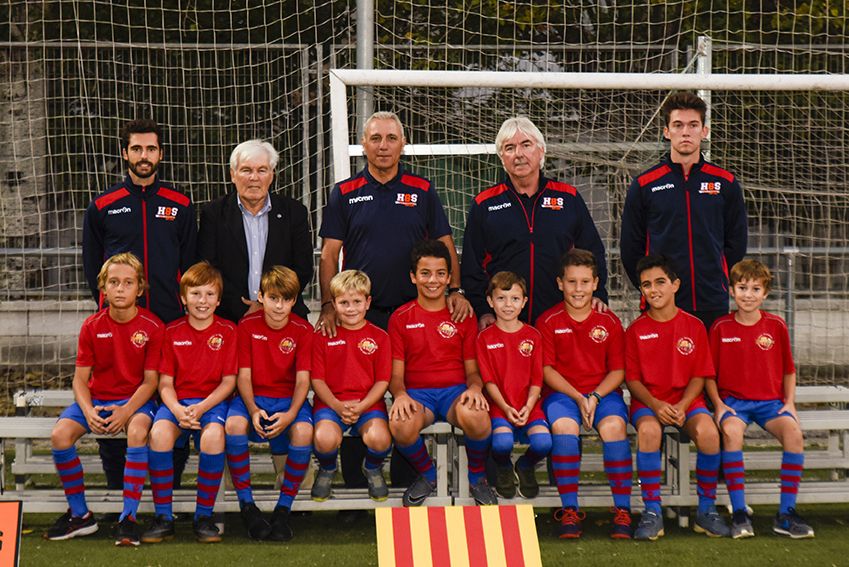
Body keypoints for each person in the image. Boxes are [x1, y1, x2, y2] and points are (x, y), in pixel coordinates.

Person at [317, 110, 471, 490]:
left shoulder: (422, 189)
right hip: (360, 316)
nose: (383, 146)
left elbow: (446, 245)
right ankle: (355, 487)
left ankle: (408, 482)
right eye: (375, 138)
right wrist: (327, 305)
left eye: (390, 138)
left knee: (407, 398)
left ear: (403, 144)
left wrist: (456, 290)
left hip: (410, 317)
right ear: (363, 145)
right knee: (355, 394)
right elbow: (328, 255)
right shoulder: (344, 192)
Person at [82, 118, 196, 494]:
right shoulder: (103, 206)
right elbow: (91, 265)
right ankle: (118, 491)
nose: (143, 156)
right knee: (115, 396)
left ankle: (171, 489)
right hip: (120, 326)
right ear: (125, 153)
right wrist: (110, 310)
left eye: (150, 149)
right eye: (136, 149)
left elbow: (191, 265)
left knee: (168, 404)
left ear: (160, 154)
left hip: (168, 322)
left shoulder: (179, 205)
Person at [45, 253, 163, 543]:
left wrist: (125, 411)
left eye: (128, 282)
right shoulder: (92, 326)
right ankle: (81, 515)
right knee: (60, 435)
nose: (120, 288)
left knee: (137, 431)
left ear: (140, 288)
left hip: (136, 402)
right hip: (97, 399)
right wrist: (87, 411)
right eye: (114, 282)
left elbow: (151, 382)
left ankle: (129, 518)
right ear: (103, 288)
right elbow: (80, 380)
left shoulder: (153, 327)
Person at [462, 116, 608, 327]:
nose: (518, 154)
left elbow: (592, 253)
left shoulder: (568, 198)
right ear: (502, 157)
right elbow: (472, 266)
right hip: (505, 324)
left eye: (526, 145)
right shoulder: (485, 204)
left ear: (541, 151)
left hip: (562, 320)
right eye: (509, 148)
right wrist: (483, 310)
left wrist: (599, 293)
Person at [620, 92, 748, 331]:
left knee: (708, 370)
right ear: (666, 132)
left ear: (704, 131)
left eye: (693, 125)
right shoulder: (645, 185)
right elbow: (631, 247)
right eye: (678, 125)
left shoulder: (725, 183)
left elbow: (736, 243)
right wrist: (652, 286)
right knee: (664, 369)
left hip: (711, 300)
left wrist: (716, 278)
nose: (686, 132)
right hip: (662, 303)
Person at [706, 259, 814, 539]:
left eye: (756, 289)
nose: (748, 294)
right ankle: (740, 512)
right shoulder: (720, 327)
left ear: (765, 293)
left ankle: (786, 514)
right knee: (730, 433)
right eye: (742, 288)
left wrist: (789, 403)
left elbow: (789, 370)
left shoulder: (776, 326)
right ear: (731, 290)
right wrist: (719, 406)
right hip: (735, 404)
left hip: (770, 404)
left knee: (794, 434)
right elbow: (707, 374)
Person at [625, 254, 729, 540]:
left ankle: (706, 511)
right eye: (646, 285)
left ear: (675, 285)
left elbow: (701, 374)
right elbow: (632, 380)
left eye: (660, 282)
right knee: (647, 432)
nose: (653, 289)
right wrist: (656, 405)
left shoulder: (694, 326)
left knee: (709, 434)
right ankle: (652, 511)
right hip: (649, 403)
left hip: (688, 402)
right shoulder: (635, 330)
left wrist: (683, 405)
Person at [388, 239, 497, 506]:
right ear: (413, 276)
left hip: (454, 394)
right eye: (425, 273)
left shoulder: (463, 314)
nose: (432, 280)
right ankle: (427, 473)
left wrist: (473, 389)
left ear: (449, 277)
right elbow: (396, 375)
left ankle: (477, 477)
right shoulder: (401, 317)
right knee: (400, 425)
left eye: (440, 273)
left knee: (478, 417)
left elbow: (473, 369)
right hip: (418, 397)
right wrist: (400, 395)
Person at [536, 249, 632, 539]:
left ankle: (623, 510)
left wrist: (595, 397)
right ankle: (569, 510)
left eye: (585, 282)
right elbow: (547, 370)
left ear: (595, 283)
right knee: (564, 426)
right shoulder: (548, 321)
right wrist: (578, 396)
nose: (578, 289)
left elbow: (618, 371)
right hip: (563, 395)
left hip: (603, 395)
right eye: (572, 282)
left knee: (615, 427)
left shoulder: (610, 322)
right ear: (560, 283)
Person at [142, 262, 237, 544]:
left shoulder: (229, 331)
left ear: (219, 299)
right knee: (158, 434)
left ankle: (204, 517)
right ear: (183, 297)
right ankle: (163, 517)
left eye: (209, 294)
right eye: (195, 294)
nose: (202, 301)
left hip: (212, 404)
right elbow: (165, 383)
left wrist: (201, 408)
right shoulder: (170, 332)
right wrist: (177, 409)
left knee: (213, 437)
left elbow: (228, 382)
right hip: (177, 404)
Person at [224, 266, 314, 542]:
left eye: (286, 299)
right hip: (253, 397)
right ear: (261, 297)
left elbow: (303, 381)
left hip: (288, 399)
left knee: (303, 432)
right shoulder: (247, 326)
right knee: (234, 424)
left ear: (294, 300)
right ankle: (247, 506)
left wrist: (289, 415)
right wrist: (252, 410)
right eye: (273, 298)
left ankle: (283, 509)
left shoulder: (303, 329)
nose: (279, 305)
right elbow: (244, 376)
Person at [198, 139, 313, 323]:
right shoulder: (213, 213)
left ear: (271, 175)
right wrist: (243, 308)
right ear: (232, 175)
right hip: (230, 318)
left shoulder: (295, 212)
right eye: (246, 170)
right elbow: (209, 268)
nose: (254, 177)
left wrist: (268, 303)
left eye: (261, 170)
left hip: (284, 317)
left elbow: (303, 268)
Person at [311, 270, 392, 502]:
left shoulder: (380, 337)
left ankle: (372, 467)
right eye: (344, 302)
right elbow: (317, 380)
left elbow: (382, 381)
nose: (351, 308)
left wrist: (363, 405)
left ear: (368, 302)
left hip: (368, 403)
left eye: (357, 301)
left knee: (379, 439)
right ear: (334, 304)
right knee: (325, 438)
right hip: (331, 403)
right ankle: (327, 468)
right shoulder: (323, 336)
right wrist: (337, 405)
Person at [476, 271, 551, 501]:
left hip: (529, 406)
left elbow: (538, 378)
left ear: (524, 302)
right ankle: (504, 466)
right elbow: (488, 381)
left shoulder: (534, 336)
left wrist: (529, 405)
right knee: (501, 443)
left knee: (544, 443)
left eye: (515, 299)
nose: (508, 305)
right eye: (501, 299)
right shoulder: (484, 338)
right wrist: (506, 408)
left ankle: (525, 466)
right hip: (500, 407)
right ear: (490, 301)